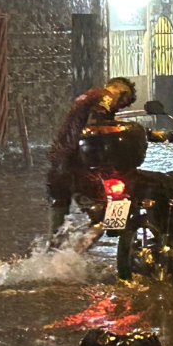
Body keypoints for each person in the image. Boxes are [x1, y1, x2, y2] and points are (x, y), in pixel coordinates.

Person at [47, 77, 137, 249]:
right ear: (122, 93)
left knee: (59, 206)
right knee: (108, 214)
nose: (120, 107)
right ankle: (73, 254)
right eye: (123, 103)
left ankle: (53, 253)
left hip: (60, 163)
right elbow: (97, 124)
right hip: (80, 165)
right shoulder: (105, 97)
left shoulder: (88, 97)